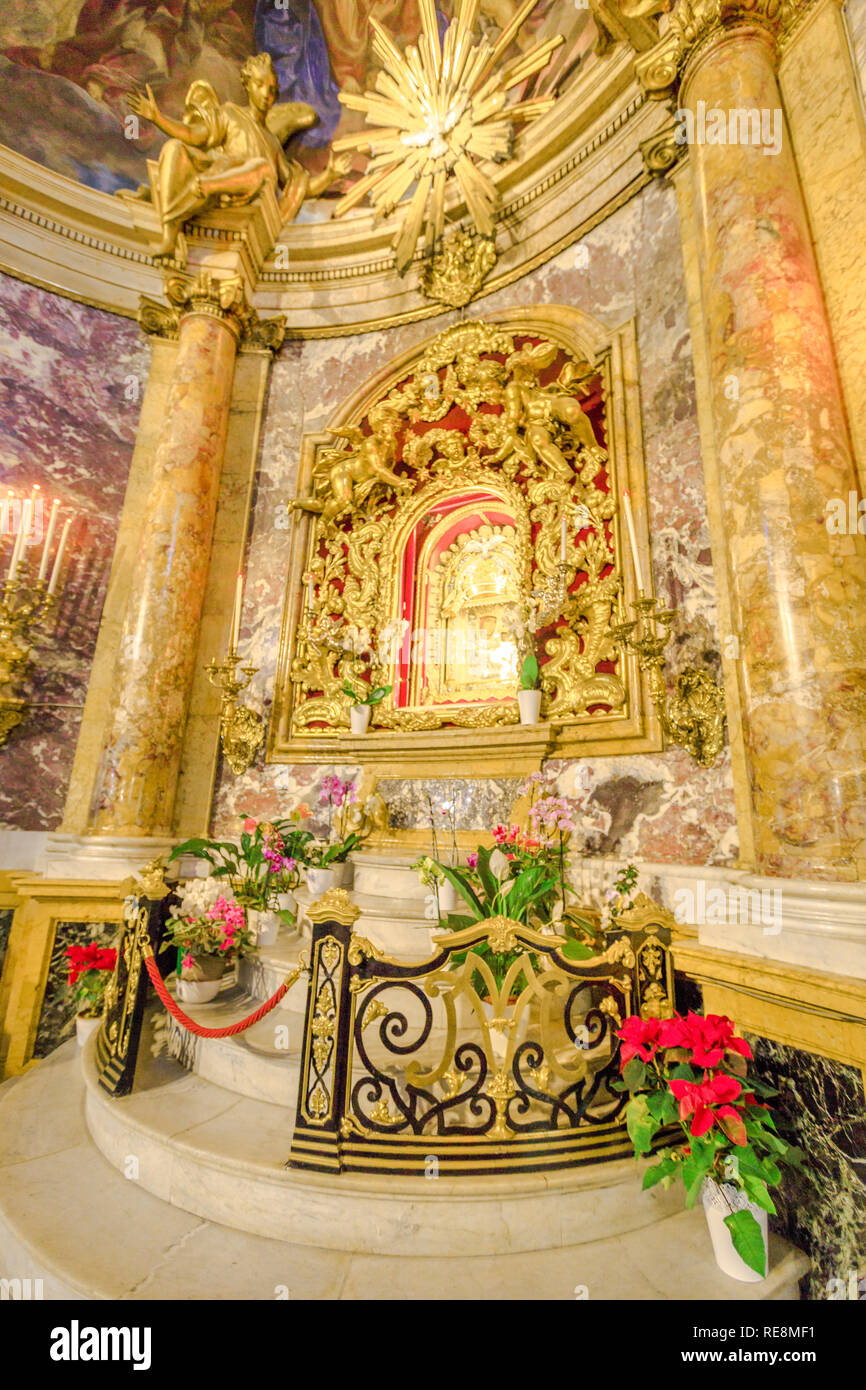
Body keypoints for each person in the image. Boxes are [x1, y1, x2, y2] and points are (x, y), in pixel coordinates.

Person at [127, 50, 350, 260]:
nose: (266, 94)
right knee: (174, 148)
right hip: (223, 174)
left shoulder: (272, 142)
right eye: (260, 85)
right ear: (248, 86)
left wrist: (329, 174)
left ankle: (207, 185)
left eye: (272, 89)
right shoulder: (229, 113)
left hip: (240, 188)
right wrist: (157, 117)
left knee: (263, 168)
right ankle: (169, 235)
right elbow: (193, 135)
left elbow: (297, 184)